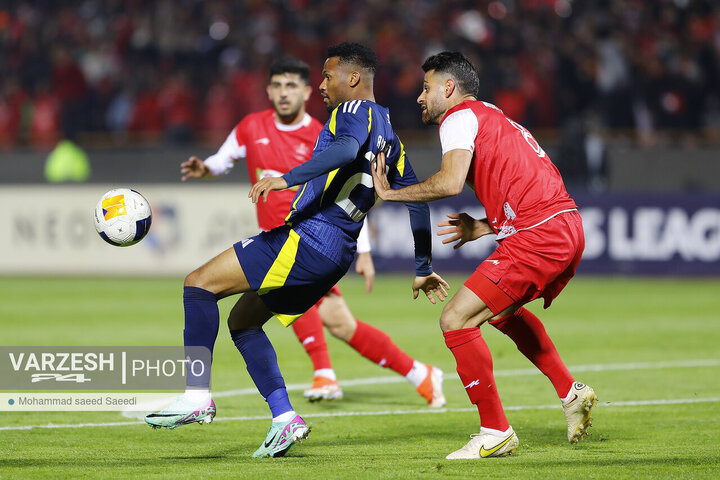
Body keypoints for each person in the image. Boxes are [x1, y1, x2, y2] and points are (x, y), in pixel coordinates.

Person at [146, 43, 449, 459]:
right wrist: (422, 265)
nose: (322, 85)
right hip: (333, 257)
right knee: (243, 323)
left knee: (197, 284)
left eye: (327, 76)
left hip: (307, 240)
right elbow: (416, 200)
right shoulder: (392, 141)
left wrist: (285, 179)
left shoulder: (352, 111)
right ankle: (284, 419)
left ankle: (196, 395)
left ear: (353, 78)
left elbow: (344, 150)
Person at [371, 51, 597, 460]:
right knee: (500, 312)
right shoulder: (491, 115)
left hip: (539, 234)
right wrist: (490, 225)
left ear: (449, 88)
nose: (420, 97)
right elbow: (526, 182)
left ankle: (495, 431)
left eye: (426, 88)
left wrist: (390, 193)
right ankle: (571, 392)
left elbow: (450, 181)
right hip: (563, 224)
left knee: (455, 318)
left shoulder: (458, 118)